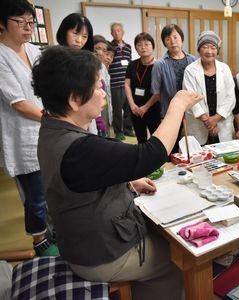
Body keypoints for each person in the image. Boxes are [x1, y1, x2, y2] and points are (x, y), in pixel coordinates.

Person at [32, 46, 203, 299]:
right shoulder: (78, 148)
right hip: (99, 256)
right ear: (74, 99)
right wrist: (177, 105)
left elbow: (82, 179)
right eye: (97, 86)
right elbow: (150, 155)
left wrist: (129, 183)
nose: (103, 93)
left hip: (80, 243)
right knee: (181, 256)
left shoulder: (51, 130)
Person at [0, 0, 58, 256]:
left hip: (45, 129)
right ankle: (39, 241)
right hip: (22, 135)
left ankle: (55, 232)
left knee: (52, 188)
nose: (27, 27)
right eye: (20, 22)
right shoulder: (1, 56)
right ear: (2, 23)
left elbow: (49, 84)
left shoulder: (34, 51)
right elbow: (19, 103)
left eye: (30, 22)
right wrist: (54, 119)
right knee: (35, 196)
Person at [183, 31, 235, 146]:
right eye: (205, 47)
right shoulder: (190, 70)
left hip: (221, 124)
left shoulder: (225, 69)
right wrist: (208, 122)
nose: (209, 51)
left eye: (213, 47)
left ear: (217, 51)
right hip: (199, 125)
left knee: (223, 159)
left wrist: (215, 119)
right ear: (198, 49)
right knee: (200, 159)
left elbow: (230, 97)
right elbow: (190, 99)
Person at [151, 24, 196, 152]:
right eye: (168, 39)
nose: (172, 41)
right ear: (164, 42)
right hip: (169, 113)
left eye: (175, 37)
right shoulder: (159, 64)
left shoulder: (193, 60)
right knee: (172, 148)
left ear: (181, 39)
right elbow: (156, 93)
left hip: (191, 113)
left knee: (191, 148)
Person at [56, 13, 99, 136]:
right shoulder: (55, 58)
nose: (79, 40)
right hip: (64, 114)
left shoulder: (89, 59)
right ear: (64, 31)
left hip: (86, 111)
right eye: (75, 33)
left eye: (84, 36)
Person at [124, 33, 161, 143]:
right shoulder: (132, 65)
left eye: (147, 44)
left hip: (153, 108)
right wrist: (132, 105)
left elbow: (159, 91)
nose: (143, 47)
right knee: (140, 139)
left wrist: (145, 107)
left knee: (156, 138)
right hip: (135, 109)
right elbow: (127, 84)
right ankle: (142, 159)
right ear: (136, 48)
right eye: (139, 45)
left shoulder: (159, 65)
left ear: (153, 46)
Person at [110, 22, 134, 140]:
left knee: (129, 108)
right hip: (115, 83)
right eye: (114, 31)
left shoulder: (128, 47)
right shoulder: (109, 47)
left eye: (118, 30)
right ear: (111, 33)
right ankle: (118, 131)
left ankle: (128, 129)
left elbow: (129, 64)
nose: (116, 33)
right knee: (117, 109)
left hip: (127, 83)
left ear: (123, 32)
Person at [93, 35, 113, 137]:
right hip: (93, 106)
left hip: (104, 104)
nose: (100, 52)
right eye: (97, 48)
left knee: (106, 133)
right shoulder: (88, 65)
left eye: (104, 50)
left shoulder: (103, 67)